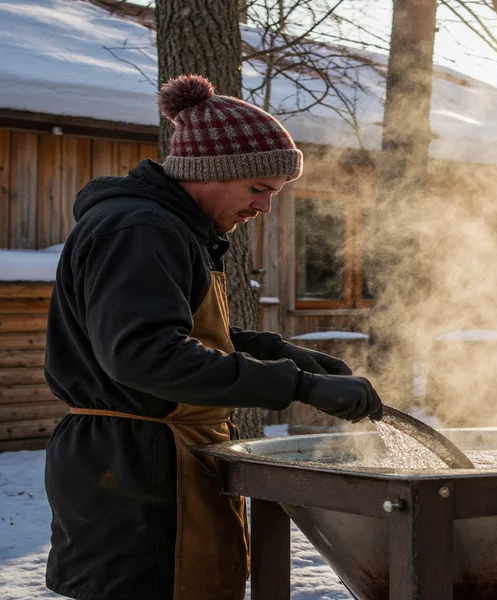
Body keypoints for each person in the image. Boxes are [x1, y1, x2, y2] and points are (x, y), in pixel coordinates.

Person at [43, 74, 382, 600]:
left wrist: (279, 351)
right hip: (136, 472)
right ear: (210, 172)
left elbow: (181, 330)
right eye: (258, 190)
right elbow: (146, 356)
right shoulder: (142, 230)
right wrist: (298, 388)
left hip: (158, 458)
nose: (264, 209)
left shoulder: (171, 228)